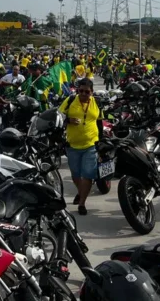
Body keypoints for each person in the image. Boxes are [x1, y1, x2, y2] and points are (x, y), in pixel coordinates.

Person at [60, 78, 100, 215]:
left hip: (91, 144)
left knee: (88, 175)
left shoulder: (97, 102)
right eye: (80, 91)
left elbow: (100, 121)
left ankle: (82, 203)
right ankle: (80, 191)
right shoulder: (70, 100)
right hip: (73, 145)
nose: (83, 94)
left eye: (86, 92)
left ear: (92, 92)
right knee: (76, 174)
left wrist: (102, 141)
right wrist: (68, 120)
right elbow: (59, 117)